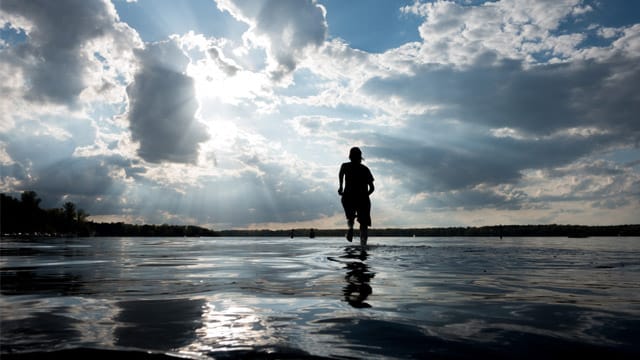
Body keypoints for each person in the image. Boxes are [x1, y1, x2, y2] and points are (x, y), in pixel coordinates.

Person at [338, 147, 374, 246]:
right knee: (364, 224)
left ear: (350, 156)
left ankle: (350, 229)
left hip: (348, 197)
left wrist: (341, 187)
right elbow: (372, 188)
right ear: (360, 157)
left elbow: (340, 175)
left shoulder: (345, 166)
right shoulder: (365, 169)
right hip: (363, 199)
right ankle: (363, 245)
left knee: (350, 217)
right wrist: (365, 196)